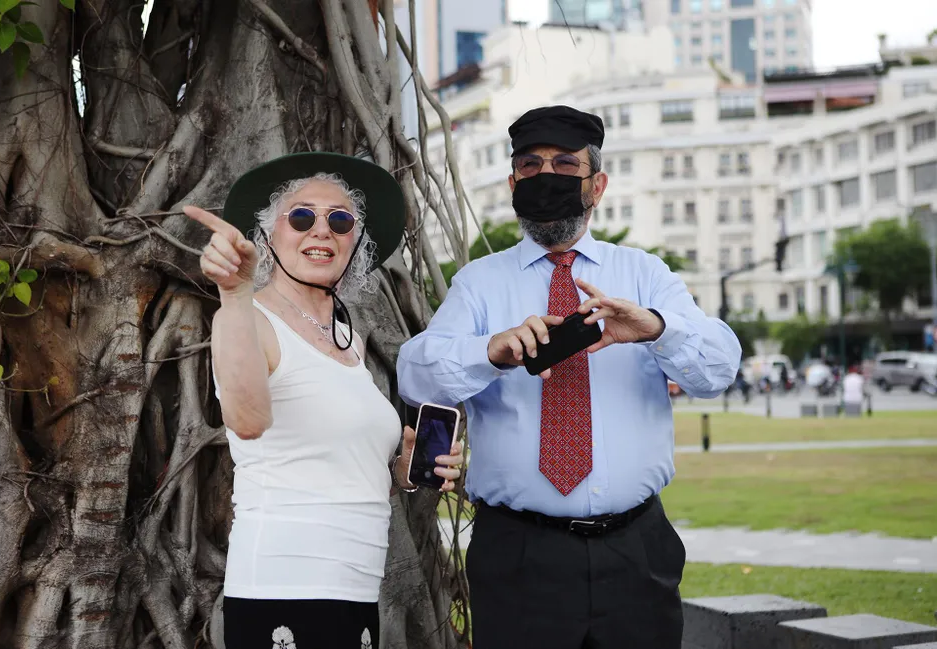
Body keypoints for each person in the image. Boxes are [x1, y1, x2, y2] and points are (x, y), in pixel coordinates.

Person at [396, 106, 741, 648]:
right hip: (518, 554)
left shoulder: (644, 274)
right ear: (513, 184)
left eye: (564, 164)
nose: (546, 176)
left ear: (596, 185)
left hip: (637, 550)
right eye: (530, 166)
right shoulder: (479, 284)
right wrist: (490, 351)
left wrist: (656, 328)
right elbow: (416, 376)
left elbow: (718, 370)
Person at [186, 152, 464, 649]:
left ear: (356, 242)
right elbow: (246, 421)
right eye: (301, 217)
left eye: (340, 220)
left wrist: (405, 468)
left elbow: (343, 472)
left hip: (356, 586)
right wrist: (234, 293)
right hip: (284, 586)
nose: (321, 230)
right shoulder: (247, 319)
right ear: (267, 236)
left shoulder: (347, 339)